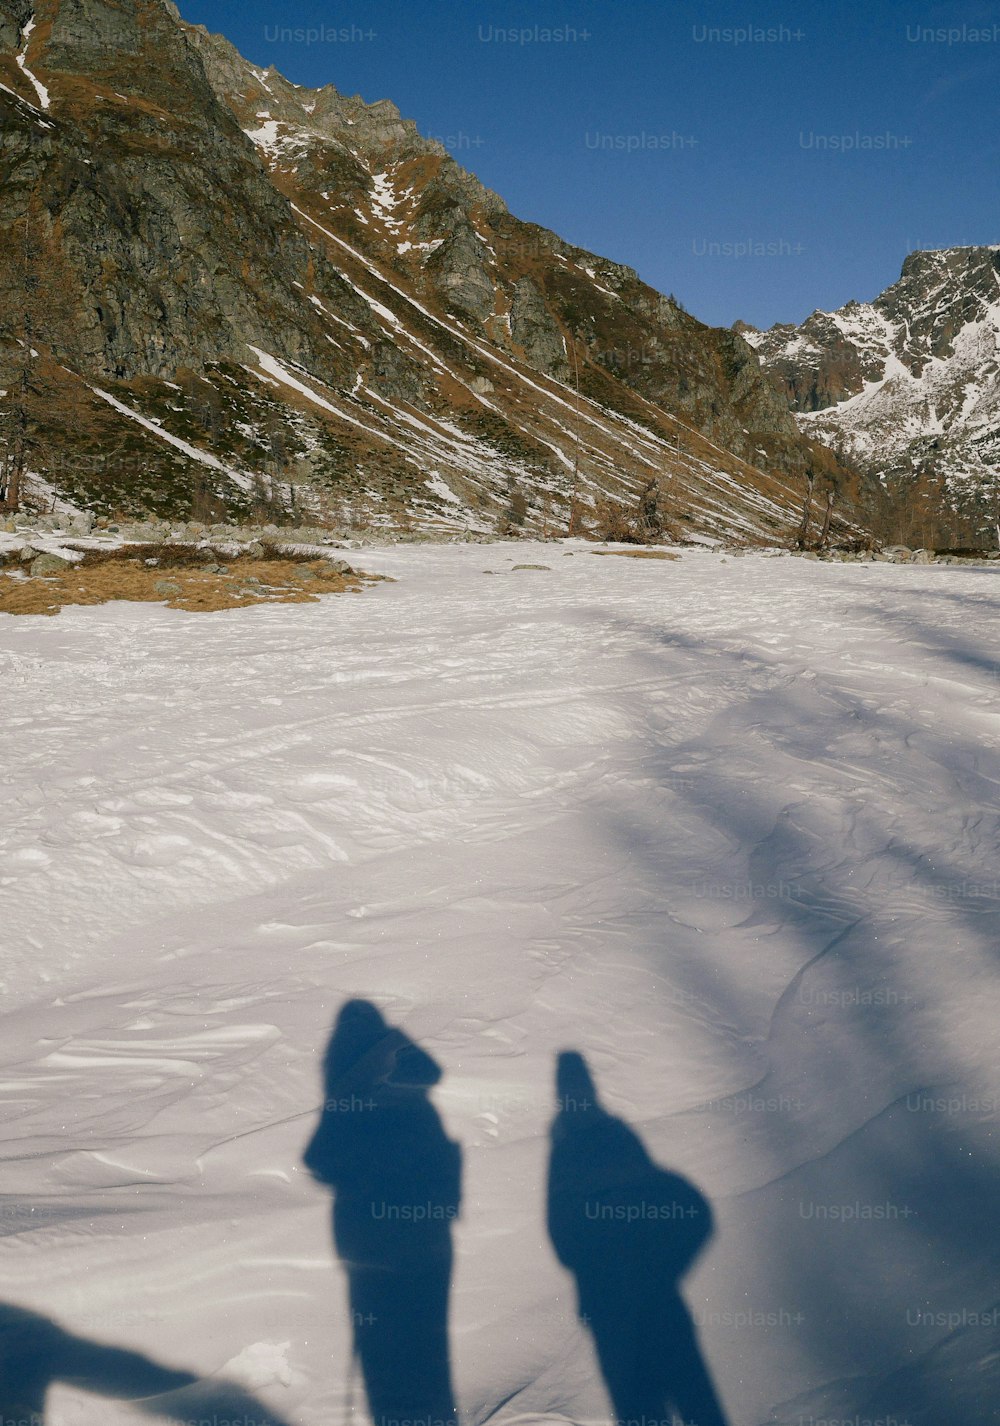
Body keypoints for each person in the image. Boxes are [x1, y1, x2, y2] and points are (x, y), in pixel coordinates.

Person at [547, 1051, 728, 1426]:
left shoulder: (594, 1145)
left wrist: (653, 1263)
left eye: (574, 1088)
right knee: (667, 1406)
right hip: (627, 1305)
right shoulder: (597, 1143)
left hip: (632, 1304)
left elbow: (688, 1210)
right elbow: (563, 1234)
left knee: (674, 1405)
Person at [304, 1001, 461, 1426]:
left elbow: (319, 1161)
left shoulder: (352, 1110)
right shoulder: (420, 1107)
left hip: (373, 1250)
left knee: (386, 1359)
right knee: (425, 1352)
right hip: (428, 1246)